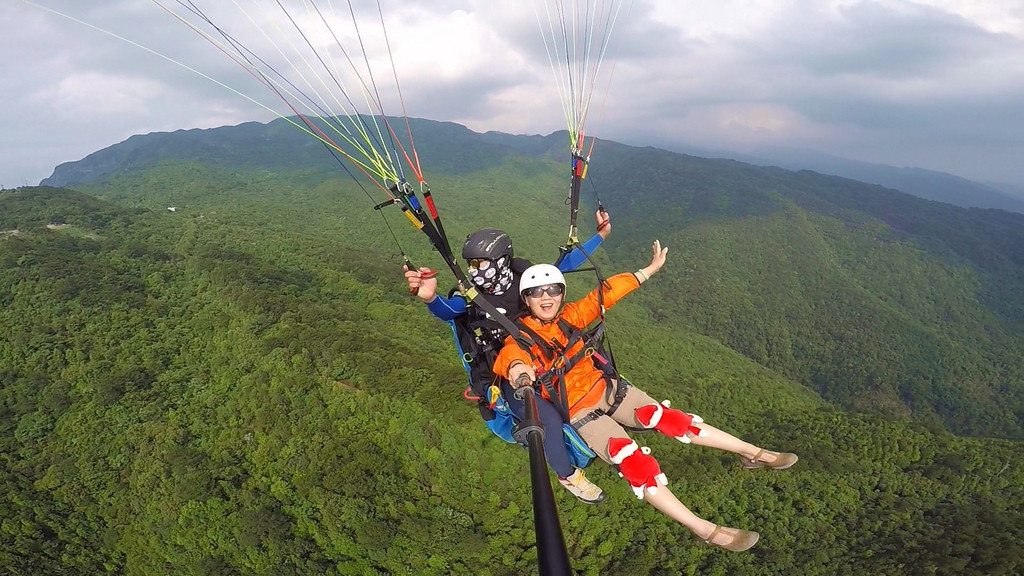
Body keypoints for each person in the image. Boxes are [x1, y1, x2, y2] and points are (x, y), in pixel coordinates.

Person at [493, 241, 799, 552]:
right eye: (536, 292)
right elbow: (512, 358)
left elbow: (608, 292)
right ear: (526, 298)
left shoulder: (572, 315)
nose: (546, 297)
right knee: (633, 462)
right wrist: (521, 373)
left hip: (608, 389)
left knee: (671, 420)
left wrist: (648, 270)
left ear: (562, 293)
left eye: (553, 290)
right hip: (579, 410)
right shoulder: (521, 337)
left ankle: (752, 453)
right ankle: (705, 529)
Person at [404, 210, 612, 504]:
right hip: (508, 375)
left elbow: (563, 266)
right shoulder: (472, 297)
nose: (474, 271)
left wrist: (600, 236)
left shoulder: (524, 281)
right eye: (470, 264)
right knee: (547, 420)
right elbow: (450, 311)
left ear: (501, 261)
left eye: (479, 263)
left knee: (605, 384)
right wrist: (430, 299)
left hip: (547, 360)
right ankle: (569, 476)